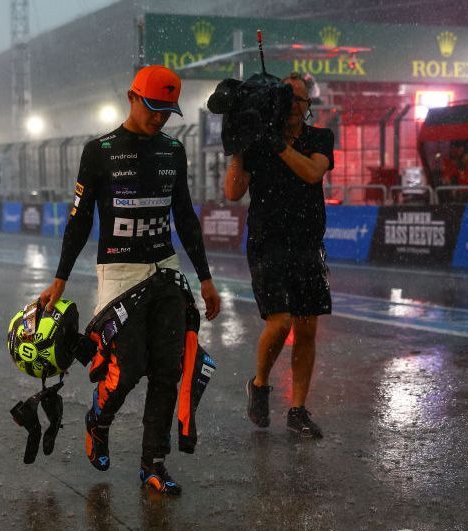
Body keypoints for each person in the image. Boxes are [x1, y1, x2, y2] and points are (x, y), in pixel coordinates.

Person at [39, 65, 221, 495]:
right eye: (153, 108)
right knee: (127, 368)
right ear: (131, 98)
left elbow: (185, 216)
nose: (159, 118)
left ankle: (153, 465)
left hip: (166, 270)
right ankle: (97, 420)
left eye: (167, 111)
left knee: (168, 369)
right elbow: (79, 220)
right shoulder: (99, 151)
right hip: (120, 274)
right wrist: (60, 279)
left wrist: (206, 278)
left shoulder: (174, 151)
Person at [224, 71, 335, 439]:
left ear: (307, 106)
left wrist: (277, 145)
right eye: (285, 100)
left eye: (298, 101)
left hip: (307, 243)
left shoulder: (319, 138)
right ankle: (259, 384)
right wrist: (237, 146)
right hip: (267, 243)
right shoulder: (258, 143)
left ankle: (298, 409)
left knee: (307, 328)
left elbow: (312, 172)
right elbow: (232, 193)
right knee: (282, 321)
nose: (292, 107)